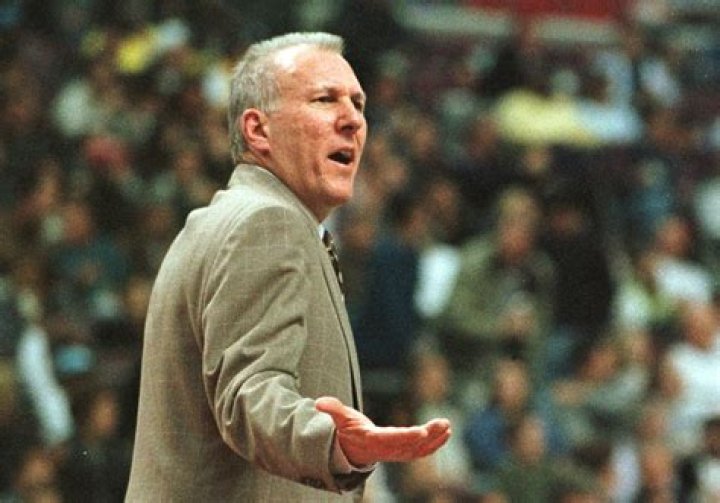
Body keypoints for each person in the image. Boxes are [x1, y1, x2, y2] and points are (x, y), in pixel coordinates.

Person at [125, 32, 451, 502]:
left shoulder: (225, 221)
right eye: (325, 99)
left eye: (358, 104)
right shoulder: (266, 224)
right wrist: (335, 444)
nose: (353, 120)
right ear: (258, 130)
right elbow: (251, 392)